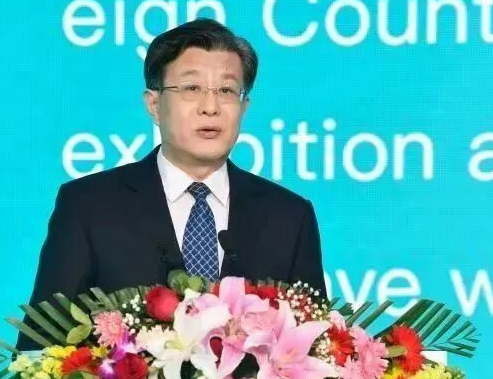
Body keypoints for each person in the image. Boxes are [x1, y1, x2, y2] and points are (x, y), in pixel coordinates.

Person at [16, 18, 326, 351]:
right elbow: (39, 353)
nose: (210, 108)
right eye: (191, 89)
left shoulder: (289, 217)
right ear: (154, 104)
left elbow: (317, 349)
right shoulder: (88, 206)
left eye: (226, 91)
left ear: (244, 106)